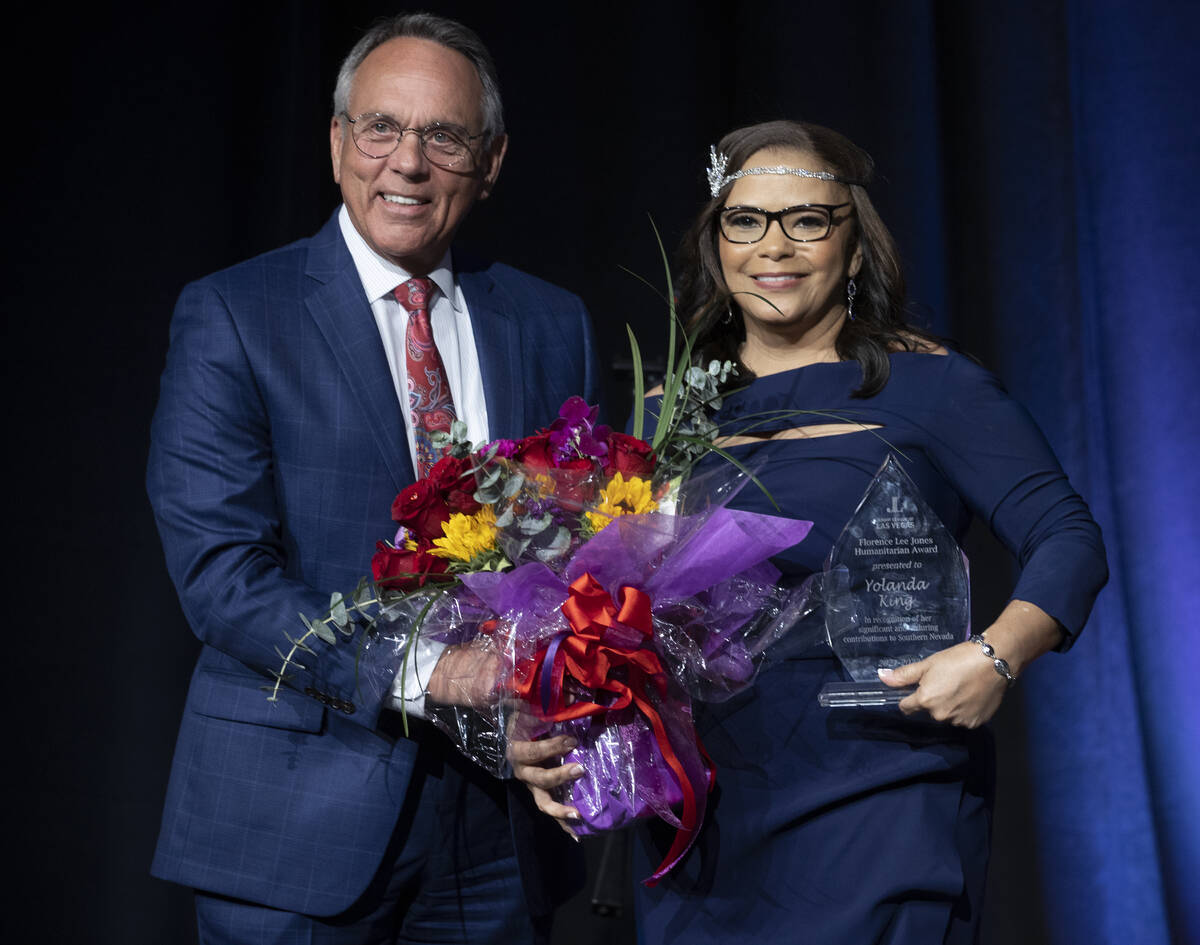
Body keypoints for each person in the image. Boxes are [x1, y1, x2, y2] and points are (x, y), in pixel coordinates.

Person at [512, 120, 1107, 943]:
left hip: (879, 794)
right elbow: (611, 612)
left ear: (855, 249)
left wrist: (998, 653)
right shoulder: (669, 413)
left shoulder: (933, 387)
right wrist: (560, 716)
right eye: (746, 220)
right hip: (705, 818)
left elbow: (1069, 537)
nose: (774, 246)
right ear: (718, 244)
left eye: (808, 220)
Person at [147, 13, 598, 944]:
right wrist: (436, 674)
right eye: (381, 127)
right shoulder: (234, 313)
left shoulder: (553, 323)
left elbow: (589, 553)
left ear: (493, 159)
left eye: (444, 136)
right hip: (291, 826)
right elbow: (223, 577)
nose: (408, 162)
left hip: (502, 830)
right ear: (337, 140)